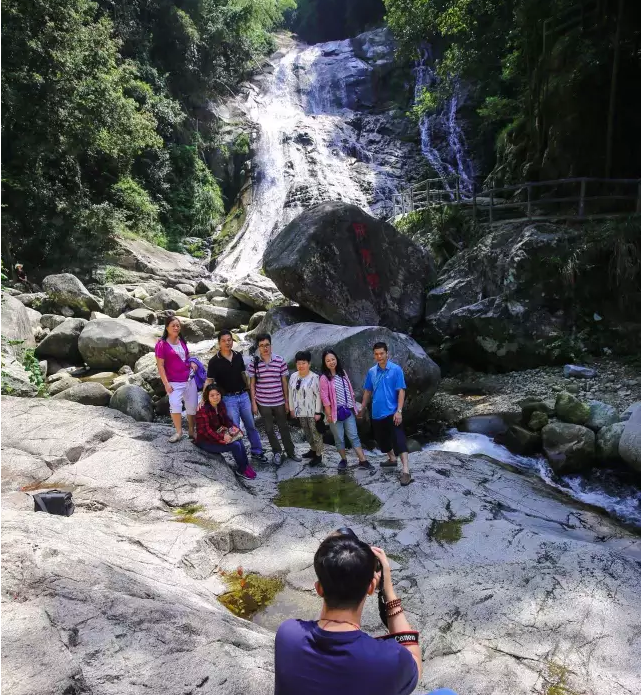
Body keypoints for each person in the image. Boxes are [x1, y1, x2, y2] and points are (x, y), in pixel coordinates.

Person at [274, 528, 458, 695]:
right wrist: (388, 591)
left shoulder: (288, 635)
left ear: (319, 589)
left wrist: (333, 557)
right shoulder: (388, 660)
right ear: (371, 587)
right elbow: (414, 659)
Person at [204, 329, 268, 464]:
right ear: (219, 343)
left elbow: (243, 376)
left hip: (243, 396)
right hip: (228, 399)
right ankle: (241, 456)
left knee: (251, 425)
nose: (227, 343)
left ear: (232, 341)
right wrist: (204, 399)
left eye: (229, 340)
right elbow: (209, 380)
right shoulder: (214, 361)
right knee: (234, 428)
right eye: (224, 341)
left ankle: (257, 451)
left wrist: (252, 395)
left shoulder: (238, 356)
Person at [358, 342, 411, 486]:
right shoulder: (372, 372)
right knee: (382, 441)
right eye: (376, 354)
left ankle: (406, 471)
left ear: (387, 353)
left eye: (381, 353)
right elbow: (368, 391)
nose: (379, 356)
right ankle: (392, 459)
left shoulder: (395, 370)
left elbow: (401, 390)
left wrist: (399, 411)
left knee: (399, 440)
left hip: (392, 412)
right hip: (377, 413)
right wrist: (362, 407)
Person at [247, 333, 301, 466]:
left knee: (283, 427)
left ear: (271, 345)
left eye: (267, 345)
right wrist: (253, 403)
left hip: (279, 401)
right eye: (261, 346)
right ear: (258, 348)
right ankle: (277, 452)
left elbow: (284, 382)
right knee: (269, 428)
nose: (265, 348)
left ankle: (291, 452)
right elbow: (252, 385)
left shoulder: (280, 361)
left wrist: (287, 401)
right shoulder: (254, 364)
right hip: (262, 402)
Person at [320, 349, 372, 472]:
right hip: (334, 413)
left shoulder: (342, 372)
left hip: (347, 410)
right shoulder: (324, 378)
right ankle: (343, 460)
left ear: (336, 359)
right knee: (339, 438)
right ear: (324, 363)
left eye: (333, 359)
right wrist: (328, 414)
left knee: (353, 435)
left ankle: (363, 460)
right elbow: (324, 397)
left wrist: (354, 406)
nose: (331, 362)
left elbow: (349, 390)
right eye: (328, 360)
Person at [195, 384, 256, 480]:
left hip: (218, 434)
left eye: (217, 394)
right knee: (235, 445)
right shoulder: (202, 410)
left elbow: (226, 420)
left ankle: (245, 465)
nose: (215, 397)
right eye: (212, 395)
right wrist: (222, 438)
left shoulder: (220, 405)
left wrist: (234, 429)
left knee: (238, 439)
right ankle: (241, 470)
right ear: (207, 396)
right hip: (205, 441)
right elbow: (205, 431)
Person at [155, 316, 198, 442]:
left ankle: (191, 430)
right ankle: (178, 432)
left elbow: (186, 356)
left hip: (189, 379)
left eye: (178, 325)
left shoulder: (182, 340)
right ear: (167, 327)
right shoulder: (161, 344)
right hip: (174, 381)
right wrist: (166, 384)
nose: (176, 328)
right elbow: (160, 366)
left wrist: (191, 362)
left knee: (192, 406)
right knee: (175, 405)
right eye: (173, 325)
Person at [288, 350, 324, 466]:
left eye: (303, 363)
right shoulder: (293, 376)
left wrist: (318, 412)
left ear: (309, 364)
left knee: (315, 433)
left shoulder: (314, 377)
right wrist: (292, 409)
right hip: (300, 411)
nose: (301, 366)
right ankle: (312, 450)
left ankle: (318, 455)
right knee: (307, 432)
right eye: (299, 363)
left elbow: (318, 396)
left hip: (312, 411)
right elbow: (290, 393)